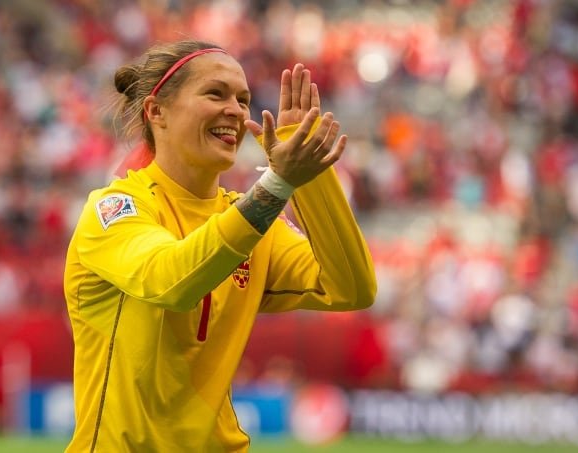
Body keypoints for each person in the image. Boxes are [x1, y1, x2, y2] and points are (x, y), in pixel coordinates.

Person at [63, 40, 377, 452]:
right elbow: (170, 280)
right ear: (156, 111)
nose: (236, 110)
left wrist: (308, 174)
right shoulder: (114, 210)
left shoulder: (249, 220)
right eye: (216, 93)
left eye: (243, 99)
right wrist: (277, 185)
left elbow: (351, 288)